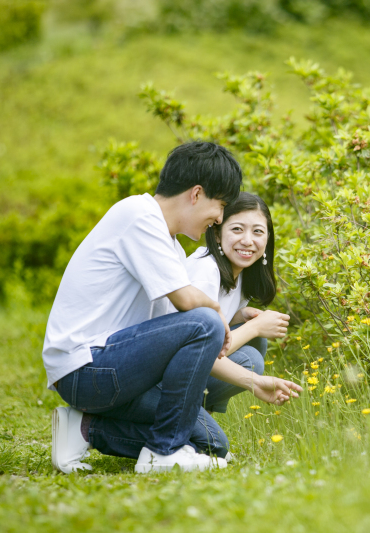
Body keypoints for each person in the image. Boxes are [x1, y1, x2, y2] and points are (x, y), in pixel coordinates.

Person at [43, 141, 302, 474]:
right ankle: (163, 451)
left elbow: (175, 336)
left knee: (213, 446)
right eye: (220, 206)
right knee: (205, 322)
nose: (219, 218)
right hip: (86, 370)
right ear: (196, 194)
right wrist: (219, 314)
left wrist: (253, 378)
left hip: (118, 370)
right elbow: (188, 307)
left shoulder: (171, 247)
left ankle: (84, 428)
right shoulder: (138, 216)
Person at [166, 192, 291, 458]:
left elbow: (211, 328)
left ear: (267, 239)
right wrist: (256, 328)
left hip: (186, 366)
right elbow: (197, 348)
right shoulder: (205, 270)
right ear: (217, 233)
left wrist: (239, 316)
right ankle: (96, 428)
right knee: (215, 446)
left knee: (255, 339)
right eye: (237, 229)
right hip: (163, 377)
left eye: (258, 231)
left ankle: (202, 412)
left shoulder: (240, 273)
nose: (248, 240)